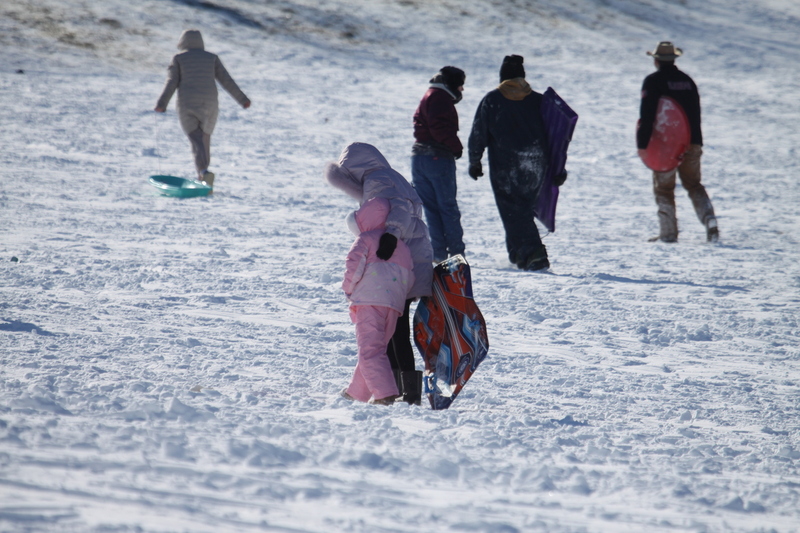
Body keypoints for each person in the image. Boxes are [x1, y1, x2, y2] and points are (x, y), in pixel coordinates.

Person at [325, 143, 434, 405]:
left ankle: (405, 392)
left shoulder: (378, 179)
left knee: (395, 333)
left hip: (395, 265)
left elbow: (398, 210)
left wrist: (390, 235)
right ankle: (398, 388)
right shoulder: (392, 177)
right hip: (408, 262)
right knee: (394, 330)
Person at [468, 55, 565, 272]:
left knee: (514, 210)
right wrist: (559, 167)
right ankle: (518, 254)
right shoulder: (539, 101)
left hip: (506, 165)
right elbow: (556, 136)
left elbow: (478, 133)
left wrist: (475, 161)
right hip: (536, 164)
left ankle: (535, 254)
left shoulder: (493, 100)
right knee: (521, 209)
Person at [638, 41, 718, 243]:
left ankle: (668, 233)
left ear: (656, 61)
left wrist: (643, 144)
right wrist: (695, 142)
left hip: (666, 145)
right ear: (673, 59)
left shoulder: (653, 81)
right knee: (693, 184)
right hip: (693, 141)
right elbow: (695, 114)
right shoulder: (687, 81)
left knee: (664, 188)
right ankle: (710, 220)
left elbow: (648, 115)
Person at [340, 197, 415, 405]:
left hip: (369, 302)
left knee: (369, 351)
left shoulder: (365, 240)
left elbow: (353, 267)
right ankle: (356, 393)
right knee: (376, 350)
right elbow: (410, 277)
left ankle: (385, 394)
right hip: (393, 306)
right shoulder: (403, 247)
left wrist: (348, 289)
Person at [154, 29, 251, 188]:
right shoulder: (212, 58)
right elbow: (227, 80)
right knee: (204, 137)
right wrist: (243, 100)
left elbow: (171, 82)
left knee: (195, 138)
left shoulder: (179, 59)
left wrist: (161, 104)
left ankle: (203, 172)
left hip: (188, 102)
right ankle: (203, 175)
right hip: (210, 102)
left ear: (183, 42)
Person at [411, 66, 467, 263]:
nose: (461, 89)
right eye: (460, 84)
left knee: (432, 209)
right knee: (447, 207)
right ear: (450, 83)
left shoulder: (429, 95)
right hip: (437, 158)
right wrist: (456, 147)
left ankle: (439, 254)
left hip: (419, 158)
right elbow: (439, 127)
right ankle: (457, 254)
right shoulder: (440, 97)